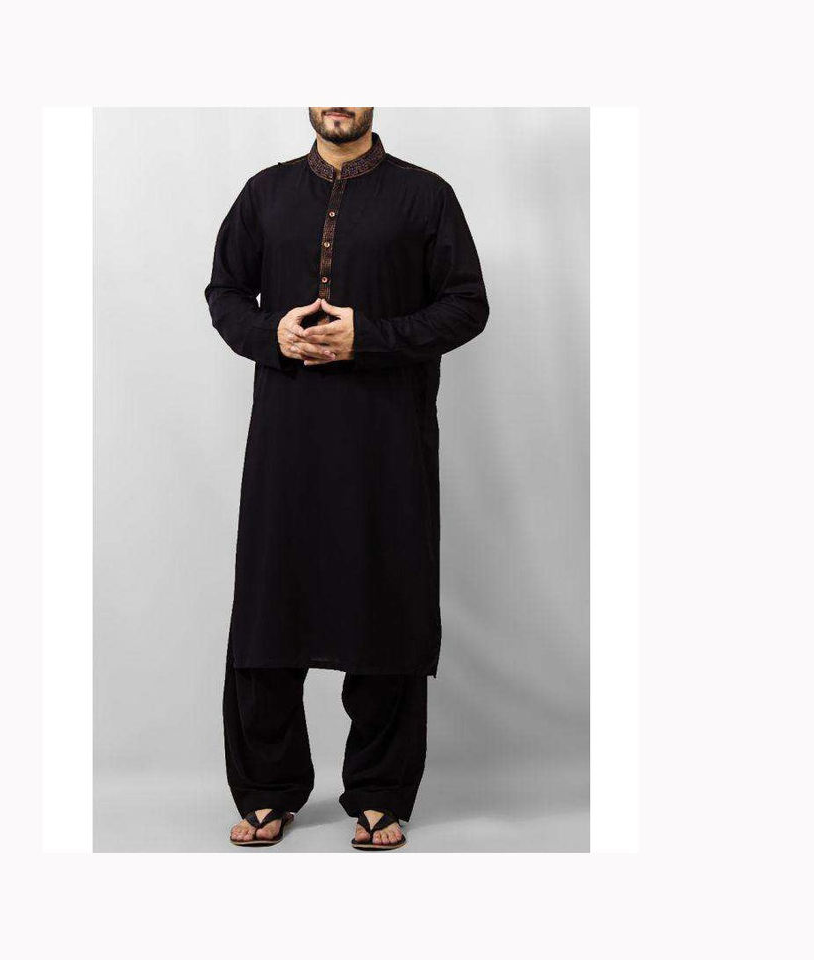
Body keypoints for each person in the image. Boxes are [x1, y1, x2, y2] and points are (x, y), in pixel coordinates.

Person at [205, 107, 489, 850]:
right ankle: (268, 788)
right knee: (270, 605)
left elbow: (467, 305)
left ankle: (380, 790)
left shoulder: (425, 196)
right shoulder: (265, 193)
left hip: (386, 439)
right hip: (287, 440)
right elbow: (224, 292)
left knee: (386, 602)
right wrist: (271, 332)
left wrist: (371, 336)